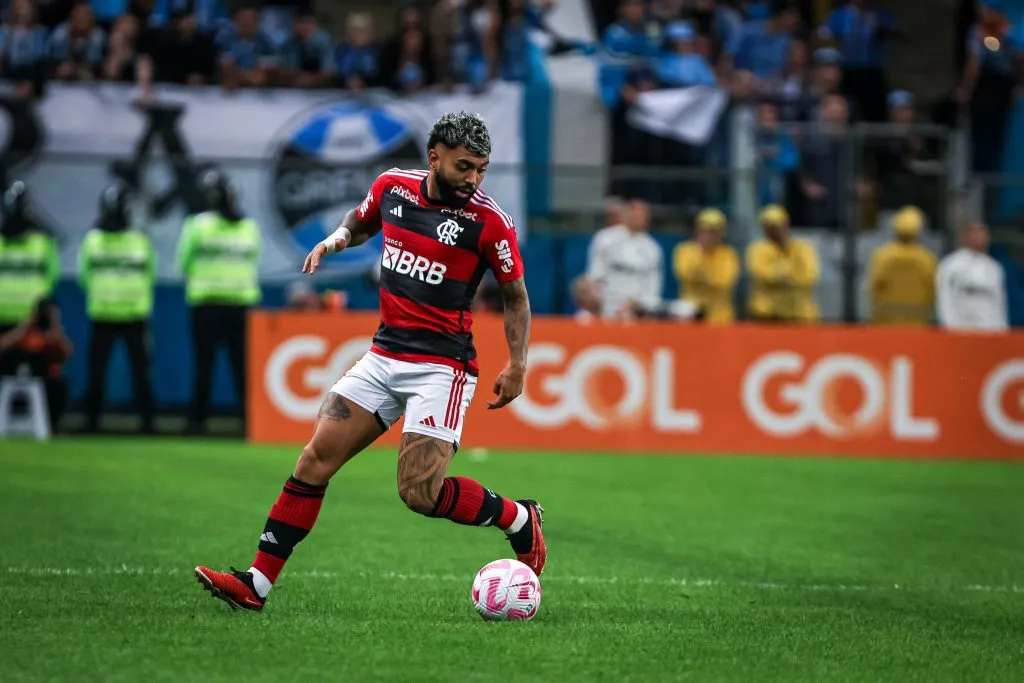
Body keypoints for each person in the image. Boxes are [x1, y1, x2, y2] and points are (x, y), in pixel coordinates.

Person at [194, 112, 545, 612]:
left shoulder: (490, 223)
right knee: (314, 461)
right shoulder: (392, 188)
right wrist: (334, 241)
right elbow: (359, 225)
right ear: (435, 157)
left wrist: (518, 364)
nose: (474, 179)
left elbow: (516, 297)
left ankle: (516, 518)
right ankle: (256, 584)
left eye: (482, 170)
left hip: (441, 368)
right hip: (383, 356)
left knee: (419, 493)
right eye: (465, 167)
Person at [177, 169, 262, 434]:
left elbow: (184, 262)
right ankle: (251, 423)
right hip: (239, 305)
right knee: (243, 368)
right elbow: (253, 258)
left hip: (207, 304)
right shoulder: (249, 226)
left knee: (204, 366)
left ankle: (196, 423)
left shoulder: (196, 225)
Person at [78, 182, 157, 433]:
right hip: (112, 313)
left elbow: (84, 276)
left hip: (128, 314)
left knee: (138, 371)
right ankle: (94, 420)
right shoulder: (97, 240)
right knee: (99, 371)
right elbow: (84, 276)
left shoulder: (132, 240)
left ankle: (145, 422)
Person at [0, 297, 72, 434]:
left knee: (60, 385)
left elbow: (67, 352)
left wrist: (56, 325)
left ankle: (53, 425)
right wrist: (24, 325)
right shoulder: (24, 332)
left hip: (42, 378)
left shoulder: (52, 334)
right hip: (14, 376)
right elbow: (3, 344)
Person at [0, 181, 59, 337]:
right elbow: (52, 277)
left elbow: (52, 276)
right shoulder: (43, 242)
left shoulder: (42, 244)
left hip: (34, 321)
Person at [745, 204, 821, 323]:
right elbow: (761, 274)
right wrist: (789, 273)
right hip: (767, 315)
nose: (775, 230)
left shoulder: (803, 248)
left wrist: (780, 273)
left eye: (778, 225)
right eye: (770, 227)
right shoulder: (757, 249)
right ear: (764, 228)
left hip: (799, 315)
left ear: (786, 225)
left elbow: (809, 276)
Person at [867, 205, 936, 325]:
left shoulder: (882, 255)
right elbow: (932, 290)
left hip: (886, 319)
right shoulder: (926, 258)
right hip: (917, 321)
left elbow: (875, 286)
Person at [936, 221, 1008, 331]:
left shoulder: (994, 268)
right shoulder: (950, 265)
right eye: (975, 233)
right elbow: (945, 299)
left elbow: (999, 302)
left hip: (989, 332)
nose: (979, 237)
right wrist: (949, 327)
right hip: (959, 331)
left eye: (982, 234)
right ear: (965, 236)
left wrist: (1001, 329)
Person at [673, 207, 740, 323]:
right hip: (690, 314)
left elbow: (725, 282)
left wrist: (702, 275)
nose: (708, 236)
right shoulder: (684, 250)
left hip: (719, 317)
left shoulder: (728, 254)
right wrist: (701, 251)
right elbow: (684, 273)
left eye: (713, 232)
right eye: (705, 231)